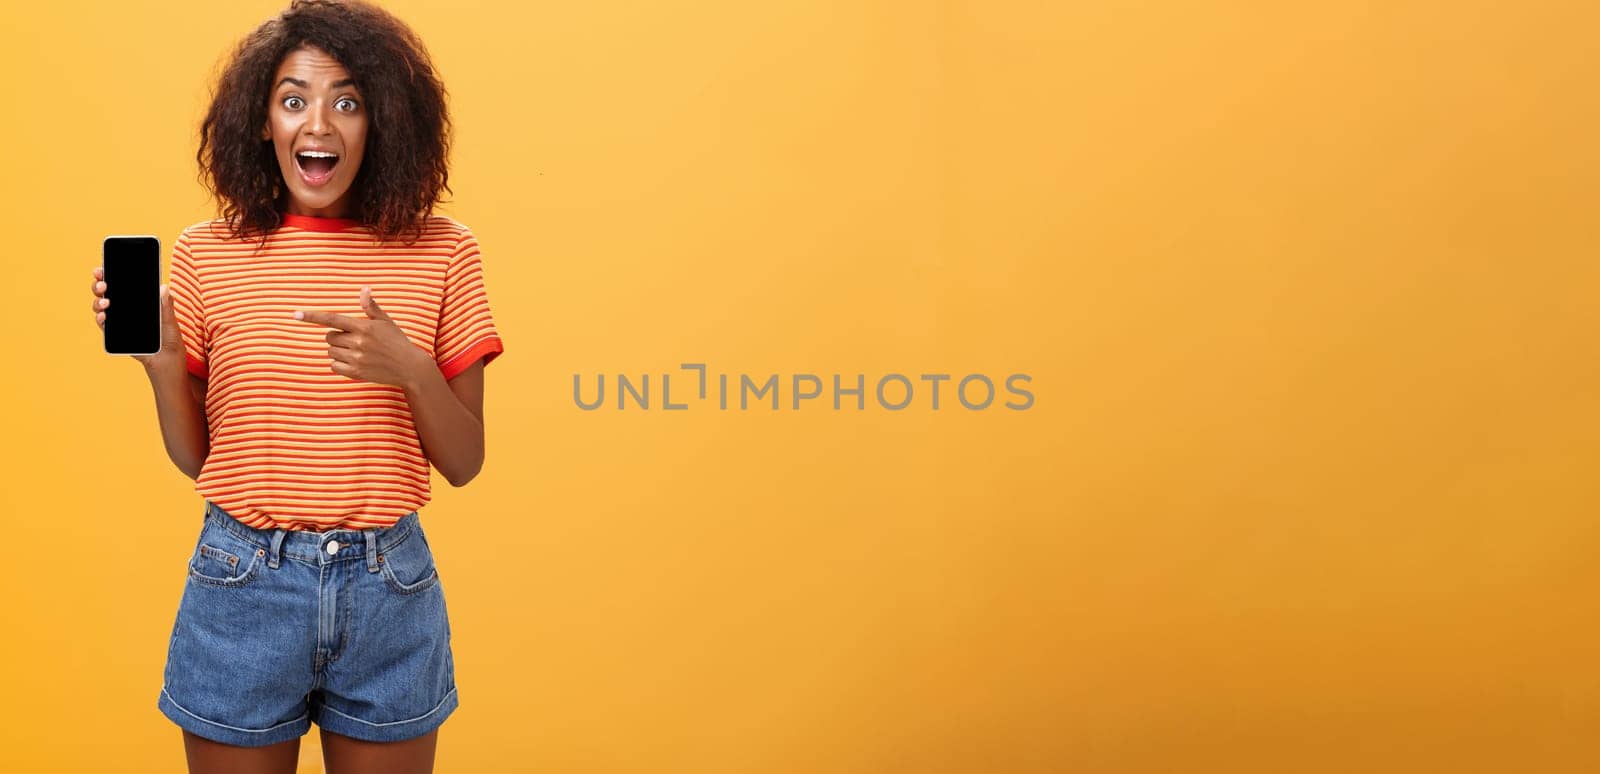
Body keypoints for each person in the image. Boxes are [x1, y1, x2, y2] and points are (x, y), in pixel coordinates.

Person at [88, 2, 503, 772]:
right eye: (293, 99)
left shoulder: (443, 252)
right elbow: (199, 458)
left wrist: (408, 367)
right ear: (261, 122)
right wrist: (162, 366)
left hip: (389, 589)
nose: (319, 124)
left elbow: (466, 460)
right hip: (242, 580)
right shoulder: (206, 255)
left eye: (348, 101)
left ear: (383, 122)